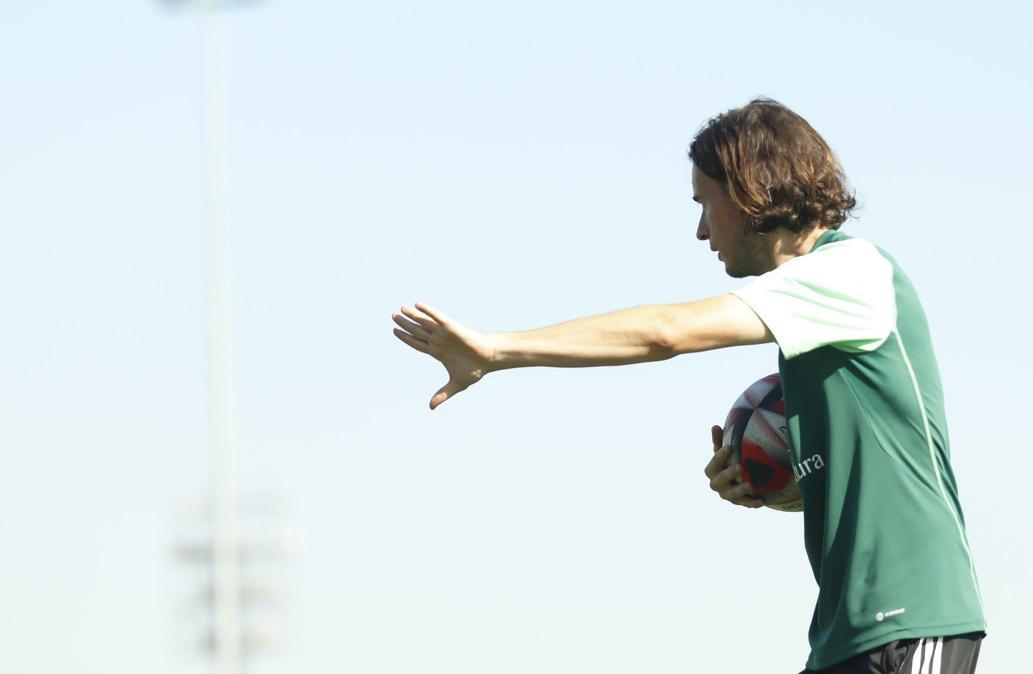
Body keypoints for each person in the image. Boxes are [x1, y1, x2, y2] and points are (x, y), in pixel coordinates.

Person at [391, 97, 987, 673]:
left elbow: (666, 332)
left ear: (752, 194)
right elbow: (871, 466)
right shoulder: (817, 313)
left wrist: (495, 351)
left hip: (910, 617)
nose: (702, 230)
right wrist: (773, 480)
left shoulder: (848, 274)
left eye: (705, 202)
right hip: (849, 630)